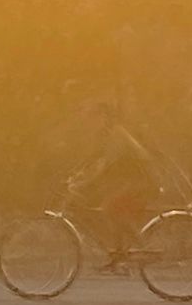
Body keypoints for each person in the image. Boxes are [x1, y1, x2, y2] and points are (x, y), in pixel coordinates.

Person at [65, 100, 162, 266]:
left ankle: (142, 247)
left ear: (104, 117)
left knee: (110, 206)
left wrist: (86, 183)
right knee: (111, 207)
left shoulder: (117, 135)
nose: (91, 123)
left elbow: (107, 165)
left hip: (143, 180)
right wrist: (73, 172)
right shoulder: (105, 135)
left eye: (95, 118)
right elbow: (93, 157)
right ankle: (118, 255)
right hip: (130, 180)